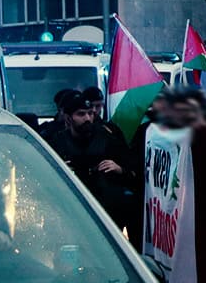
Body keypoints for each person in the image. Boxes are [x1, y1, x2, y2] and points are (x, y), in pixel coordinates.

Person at [43, 87, 140, 243]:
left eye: (90, 113)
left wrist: (119, 169)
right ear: (68, 118)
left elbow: (133, 171)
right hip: (73, 211)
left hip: (107, 211)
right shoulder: (57, 143)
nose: (87, 118)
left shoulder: (108, 138)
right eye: (81, 114)